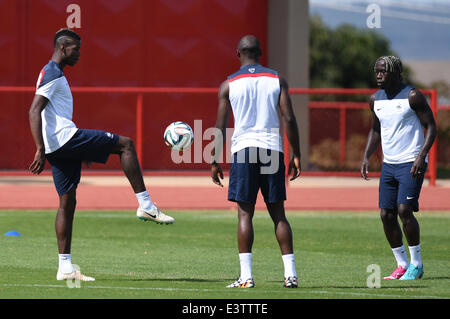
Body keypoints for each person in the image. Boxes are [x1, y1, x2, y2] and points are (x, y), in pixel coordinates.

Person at [28, 29, 174, 282]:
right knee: (126, 145)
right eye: (76, 49)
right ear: (63, 47)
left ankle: (65, 268)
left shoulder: (51, 71)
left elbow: (41, 112)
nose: (79, 53)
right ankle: (147, 206)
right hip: (63, 138)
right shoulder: (52, 72)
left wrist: (50, 148)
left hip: (58, 146)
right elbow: (34, 110)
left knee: (67, 203)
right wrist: (39, 148)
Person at [211, 35, 302, 288]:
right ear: (260, 53)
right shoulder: (276, 79)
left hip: (244, 150)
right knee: (279, 215)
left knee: (244, 214)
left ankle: (246, 277)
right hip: (272, 149)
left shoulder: (228, 84)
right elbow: (290, 119)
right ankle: (290, 275)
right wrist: (296, 153)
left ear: (237, 53)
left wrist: (214, 159)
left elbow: (220, 125)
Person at [361, 55, 437, 280]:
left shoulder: (413, 96)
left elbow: (431, 127)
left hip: (411, 162)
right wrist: (366, 156)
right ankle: (402, 264)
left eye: (383, 71)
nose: (378, 75)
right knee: (386, 214)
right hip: (389, 165)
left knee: (404, 209)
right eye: (376, 71)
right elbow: (375, 129)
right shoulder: (375, 99)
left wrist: (421, 156)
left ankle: (417, 264)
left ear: (394, 72)